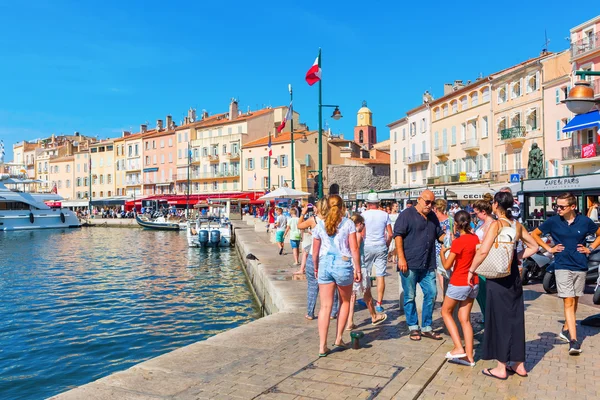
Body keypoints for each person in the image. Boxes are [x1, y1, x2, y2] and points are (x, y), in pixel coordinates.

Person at [469, 191, 538, 379]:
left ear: (495, 205)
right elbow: (534, 247)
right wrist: (516, 257)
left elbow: (483, 251)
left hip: (497, 276)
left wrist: (471, 269)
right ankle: (518, 364)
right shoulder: (517, 225)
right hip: (513, 275)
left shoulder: (496, 224)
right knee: (515, 317)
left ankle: (501, 367)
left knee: (498, 319)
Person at [531, 192, 600, 355]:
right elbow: (535, 234)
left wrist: (590, 248)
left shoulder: (584, 221)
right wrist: (548, 248)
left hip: (580, 265)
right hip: (562, 265)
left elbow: (599, 234)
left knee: (575, 299)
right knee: (568, 301)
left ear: (572, 207)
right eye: (557, 206)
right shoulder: (553, 221)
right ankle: (574, 341)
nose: (558, 209)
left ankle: (565, 328)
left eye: (561, 207)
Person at [312, 195, 362, 357]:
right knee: (345, 301)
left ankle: (321, 346)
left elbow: (315, 251)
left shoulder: (320, 224)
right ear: (342, 207)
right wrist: (358, 269)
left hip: (325, 264)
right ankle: (339, 338)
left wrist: (316, 268)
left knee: (325, 307)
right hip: (343, 264)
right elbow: (354, 248)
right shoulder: (348, 224)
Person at [394, 189, 445, 341]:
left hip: (427, 263)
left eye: (432, 203)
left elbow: (439, 234)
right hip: (409, 263)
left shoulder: (432, 216)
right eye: (427, 202)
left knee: (431, 293)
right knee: (410, 296)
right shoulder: (406, 214)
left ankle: (427, 327)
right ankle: (413, 327)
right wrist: (401, 258)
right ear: (419, 199)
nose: (430, 205)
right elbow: (398, 236)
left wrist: (450, 238)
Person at [440, 210, 479, 367]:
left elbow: (447, 265)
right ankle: (469, 357)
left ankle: (458, 347)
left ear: (456, 224)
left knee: (445, 311)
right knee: (465, 319)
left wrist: (442, 253)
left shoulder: (458, 242)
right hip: (474, 281)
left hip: (459, 281)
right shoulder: (475, 238)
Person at [298, 199, 338, 320]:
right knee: (332, 285)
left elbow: (299, 226)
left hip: (314, 256)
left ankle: (310, 312)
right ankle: (333, 312)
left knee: (312, 286)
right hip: (329, 256)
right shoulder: (333, 220)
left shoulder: (313, 220)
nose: (314, 208)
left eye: (315, 207)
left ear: (319, 208)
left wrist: (303, 213)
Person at [346, 213, 388, 331]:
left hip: (351, 266)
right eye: (363, 224)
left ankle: (349, 321)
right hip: (360, 267)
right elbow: (356, 252)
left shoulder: (348, 235)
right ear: (358, 224)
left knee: (352, 296)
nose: (364, 227)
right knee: (367, 294)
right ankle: (374, 316)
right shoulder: (357, 235)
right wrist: (358, 269)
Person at [361, 192, 393, 313]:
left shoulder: (363, 215)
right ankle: (379, 303)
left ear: (367, 203)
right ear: (378, 203)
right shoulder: (384, 215)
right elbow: (390, 234)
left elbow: (362, 233)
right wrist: (387, 244)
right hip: (381, 245)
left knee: (366, 274)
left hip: (367, 245)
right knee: (381, 275)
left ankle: (367, 299)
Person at [472, 198, 494, 321]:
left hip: (484, 262)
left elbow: (485, 243)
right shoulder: (483, 223)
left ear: (483, 212)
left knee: (483, 291)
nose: (476, 215)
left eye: (477, 213)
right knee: (480, 292)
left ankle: (488, 316)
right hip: (479, 260)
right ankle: (486, 315)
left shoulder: (490, 224)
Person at [433, 199, 452, 301]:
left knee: (440, 273)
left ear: (435, 208)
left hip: (437, 248)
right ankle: (447, 295)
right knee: (448, 272)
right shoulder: (450, 219)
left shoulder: (434, 220)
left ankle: (445, 296)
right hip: (448, 248)